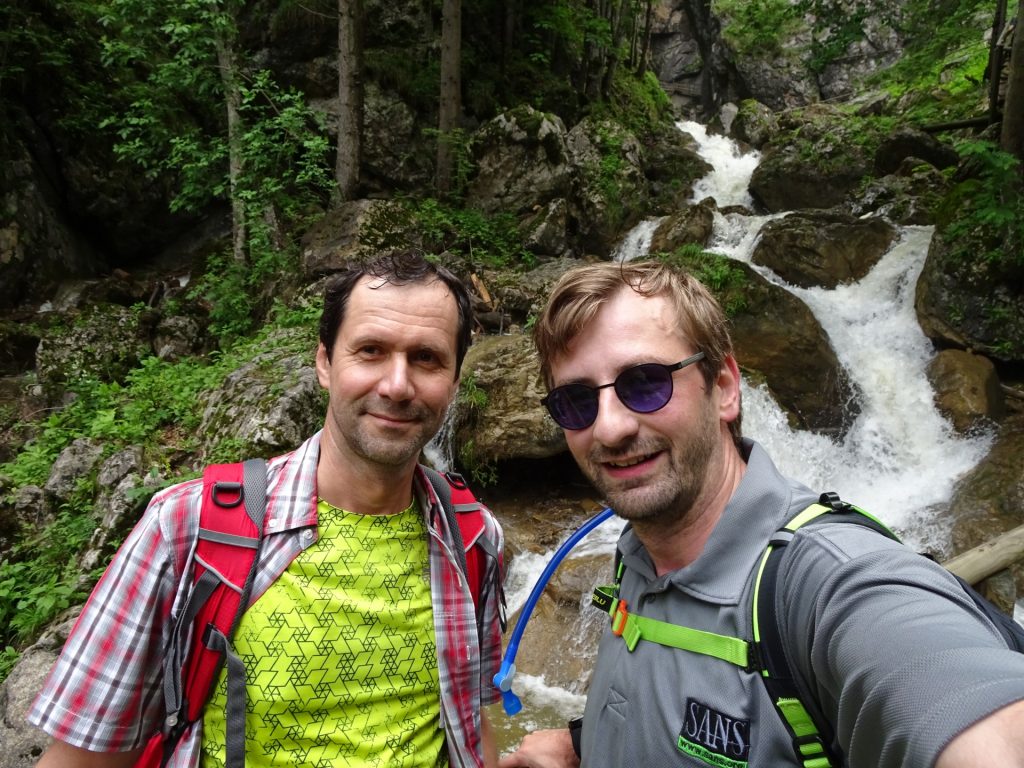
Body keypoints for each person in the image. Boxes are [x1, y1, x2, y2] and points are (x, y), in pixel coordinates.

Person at [501, 260, 1024, 768]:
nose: (610, 428)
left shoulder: (827, 584)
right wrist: (587, 744)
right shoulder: (637, 549)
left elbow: (963, 702)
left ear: (724, 387)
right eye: (575, 401)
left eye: (645, 382)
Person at [28, 250, 505, 768]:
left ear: (456, 381)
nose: (396, 384)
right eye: (370, 350)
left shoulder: (474, 539)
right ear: (324, 362)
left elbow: (476, 724)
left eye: (426, 358)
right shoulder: (187, 528)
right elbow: (83, 757)